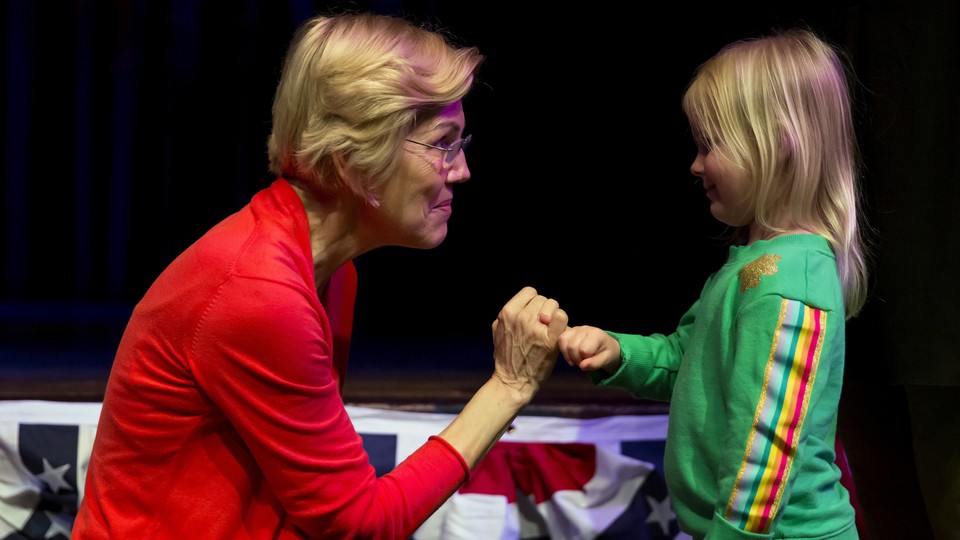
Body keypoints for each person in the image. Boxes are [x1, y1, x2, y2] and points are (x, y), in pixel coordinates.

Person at [73, 12, 568, 539]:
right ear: (358, 160)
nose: (462, 171)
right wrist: (508, 388)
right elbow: (359, 525)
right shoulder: (259, 292)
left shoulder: (329, 272)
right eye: (443, 143)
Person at [557, 28, 868, 539]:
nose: (696, 164)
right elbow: (689, 361)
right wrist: (618, 353)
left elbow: (767, 454)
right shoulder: (754, 265)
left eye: (710, 144)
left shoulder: (791, 281)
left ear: (778, 142)